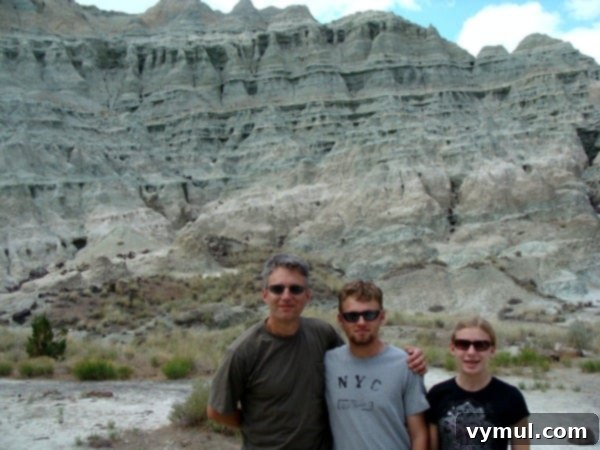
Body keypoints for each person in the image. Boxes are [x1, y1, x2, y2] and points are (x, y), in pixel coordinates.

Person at [207, 253, 426, 450]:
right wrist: (256, 425)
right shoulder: (244, 351)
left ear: (307, 296)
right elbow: (217, 411)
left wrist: (409, 358)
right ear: (265, 295)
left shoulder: (322, 335)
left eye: (295, 289)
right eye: (277, 289)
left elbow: (361, 354)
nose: (286, 296)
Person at [325, 280, 429, 450]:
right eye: (352, 316)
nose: (361, 322)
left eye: (369, 315)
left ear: (382, 317)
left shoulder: (406, 365)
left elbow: (419, 434)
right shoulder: (327, 363)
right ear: (340, 320)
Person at [426, 316, 530, 450]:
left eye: (480, 345)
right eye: (463, 344)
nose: (471, 352)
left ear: (492, 350)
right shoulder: (437, 395)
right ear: (452, 348)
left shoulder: (511, 398)